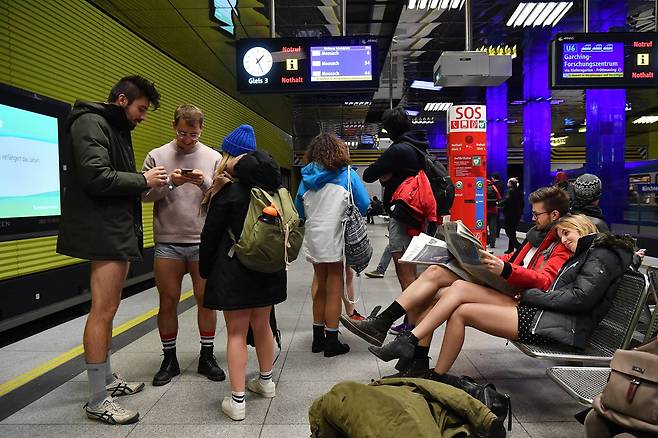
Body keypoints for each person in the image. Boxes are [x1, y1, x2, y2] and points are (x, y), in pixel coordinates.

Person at [340, 186, 571, 377]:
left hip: (520, 296)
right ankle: (412, 354)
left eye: (537, 214)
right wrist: (485, 257)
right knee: (435, 278)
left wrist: (506, 268)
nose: (532, 218)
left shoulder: (560, 244)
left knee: (455, 286)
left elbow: (544, 281)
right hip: (507, 285)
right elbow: (516, 259)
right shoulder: (536, 236)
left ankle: (402, 336)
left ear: (554, 215)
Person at [370, 215, 634, 380]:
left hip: (557, 325)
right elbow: (568, 292)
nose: (563, 240)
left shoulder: (601, 254)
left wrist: (531, 295)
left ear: (584, 228)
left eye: (568, 233)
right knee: (454, 291)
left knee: (458, 304)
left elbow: (580, 298)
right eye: (561, 234)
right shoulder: (588, 253)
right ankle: (413, 346)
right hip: (547, 315)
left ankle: (425, 362)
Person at [56, 75, 164, 424]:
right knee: (102, 310)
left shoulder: (113, 128)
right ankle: (98, 399)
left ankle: (106, 379)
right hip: (103, 231)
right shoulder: (90, 123)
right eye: (141, 109)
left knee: (110, 308)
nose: (143, 116)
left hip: (113, 229)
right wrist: (143, 180)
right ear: (121, 100)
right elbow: (95, 176)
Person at [200, 139, 287, 421]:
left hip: (233, 271)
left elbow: (210, 235)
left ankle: (237, 401)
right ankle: (266, 382)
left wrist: (204, 270)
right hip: (268, 271)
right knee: (262, 325)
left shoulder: (230, 194)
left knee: (236, 333)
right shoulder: (275, 195)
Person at [141, 104, 224, 386]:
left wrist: (204, 183)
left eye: (194, 135)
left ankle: (207, 356)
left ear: (202, 130)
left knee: (206, 301)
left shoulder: (213, 157)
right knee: (168, 301)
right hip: (168, 242)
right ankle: (169, 359)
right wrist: (172, 184)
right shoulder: (157, 155)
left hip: (202, 241)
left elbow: (220, 198)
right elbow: (145, 196)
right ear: (173, 126)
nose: (188, 139)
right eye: (182, 133)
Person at [295, 133, 370, 358]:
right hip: (336, 237)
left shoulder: (305, 177)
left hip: (315, 238)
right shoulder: (348, 175)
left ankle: (317, 339)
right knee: (334, 288)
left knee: (320, 286)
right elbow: (364, 204)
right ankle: (332, 341)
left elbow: (298, 208)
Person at [363, 108, 427, 291]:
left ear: (389, 129)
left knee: (405, 273)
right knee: (413, 271)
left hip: (402, 214)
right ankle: (413, 317)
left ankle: (413, 319)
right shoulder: (419, 146)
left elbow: (368, 175)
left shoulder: (398, 150)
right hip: (418, 212)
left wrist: (387, 174)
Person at [499, 177, 524, 254]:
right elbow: (522, 204)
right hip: (517, 214)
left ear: (510, 183)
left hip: (509, 214)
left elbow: (506, 200)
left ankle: (519, 247)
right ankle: (510, 248)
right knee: (513, 231)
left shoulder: (510, 191)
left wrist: (498, 204)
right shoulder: (520, 192)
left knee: (508, 231)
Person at [486, 177, 502, 248]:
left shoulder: (481, 187)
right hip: (493, 211)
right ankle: (492, 243)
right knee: (492, 228)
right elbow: (499, 198)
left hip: (484, 211)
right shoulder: (493, 187)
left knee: (482, 227)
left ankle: (486, 240)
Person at [490, 172, 505, 238]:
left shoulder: (493, 185)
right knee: (498, 219)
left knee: (493, 220)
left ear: (493, 178)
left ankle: (492, 234)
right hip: (500, 203)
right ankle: (497, 233)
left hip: (492, 204)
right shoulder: (502, 184)